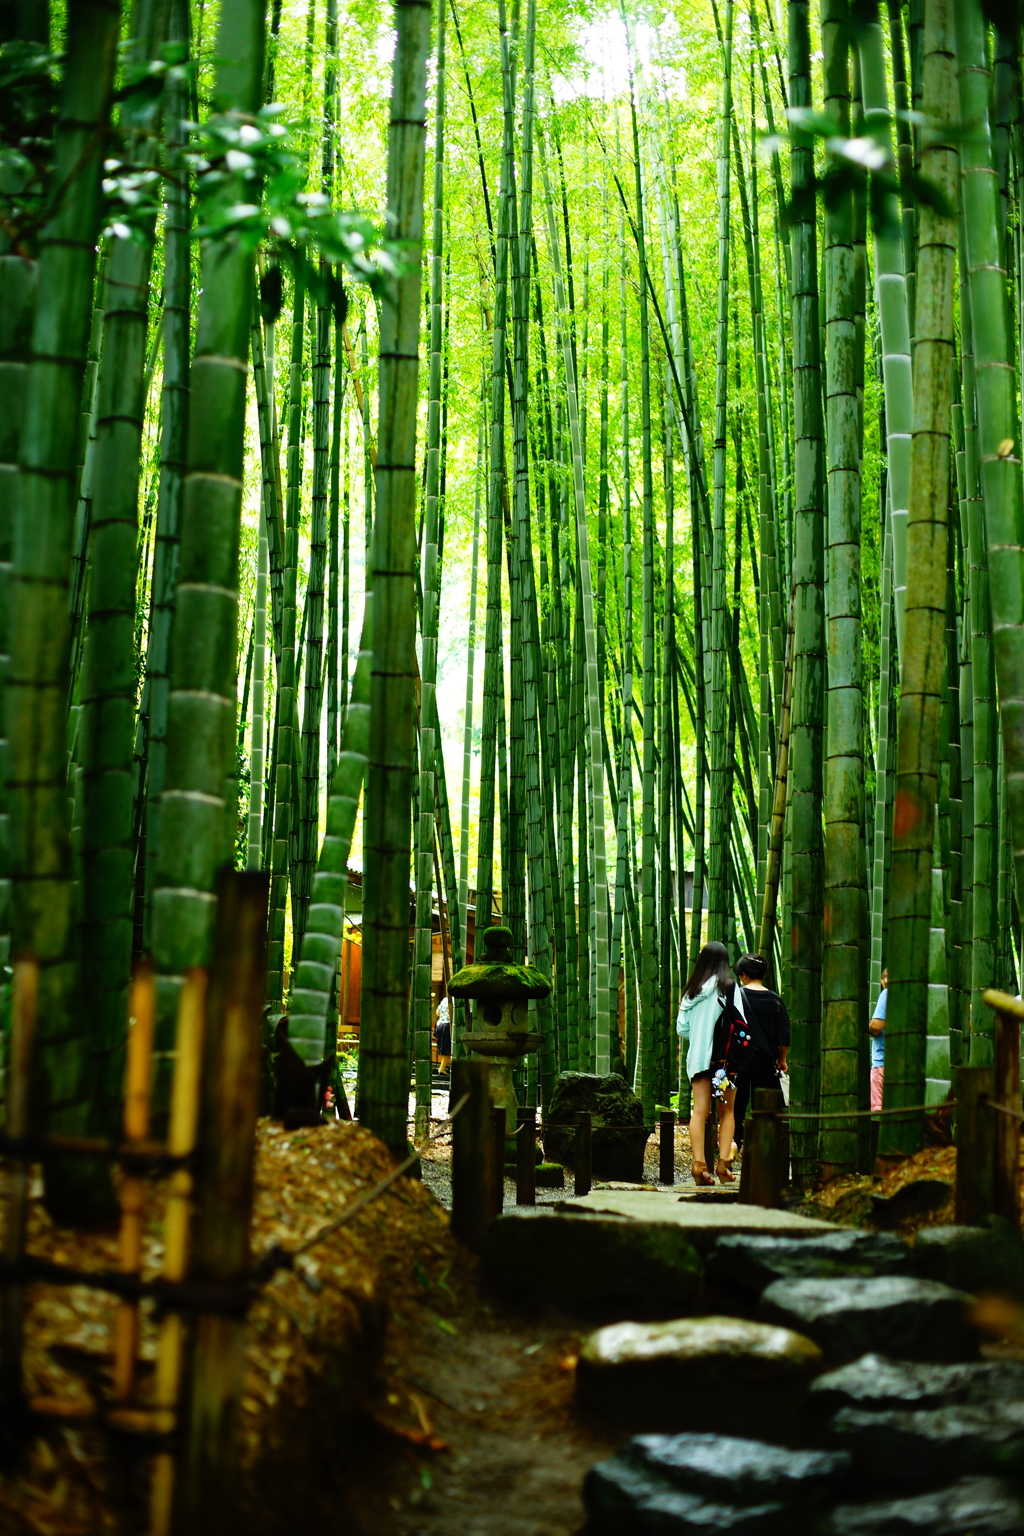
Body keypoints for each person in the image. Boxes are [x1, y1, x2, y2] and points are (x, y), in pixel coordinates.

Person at [676, 941, 738, 1186]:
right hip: (724, 1062)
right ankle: (723, 1165)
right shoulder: (730, 988)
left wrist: (700, 1033)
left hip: (699, 1060)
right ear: (725, 962)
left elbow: (682, 1030)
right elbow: (742, 1023)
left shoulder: (691, 992)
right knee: (727, 1111)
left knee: (699, 1111)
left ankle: (699, 1165)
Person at [732, 954, 790, 1148]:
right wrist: (782, 1059)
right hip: (766, 1060)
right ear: (764, 974)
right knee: (765, 1107)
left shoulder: (736, 996)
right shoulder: (775, 1000)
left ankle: (734, 1144)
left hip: (739, 1058)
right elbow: (784, 1034)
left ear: (744, 975)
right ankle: (763, 1148)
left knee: (736, 1106)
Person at [869, 968, 888, 1111]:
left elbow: (876, 1026)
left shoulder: (887, 994)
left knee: (879, 1112)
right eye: (885, 977)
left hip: (882, 1064)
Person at [434, 994, 452, 1075]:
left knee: (442, 1047)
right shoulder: (457, 1000)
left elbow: (437, 1013)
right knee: (447, 1049)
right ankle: (441, 1068)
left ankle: (442, 1067)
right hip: (447, 1025)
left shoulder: (444, 999)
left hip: (439, 1025)